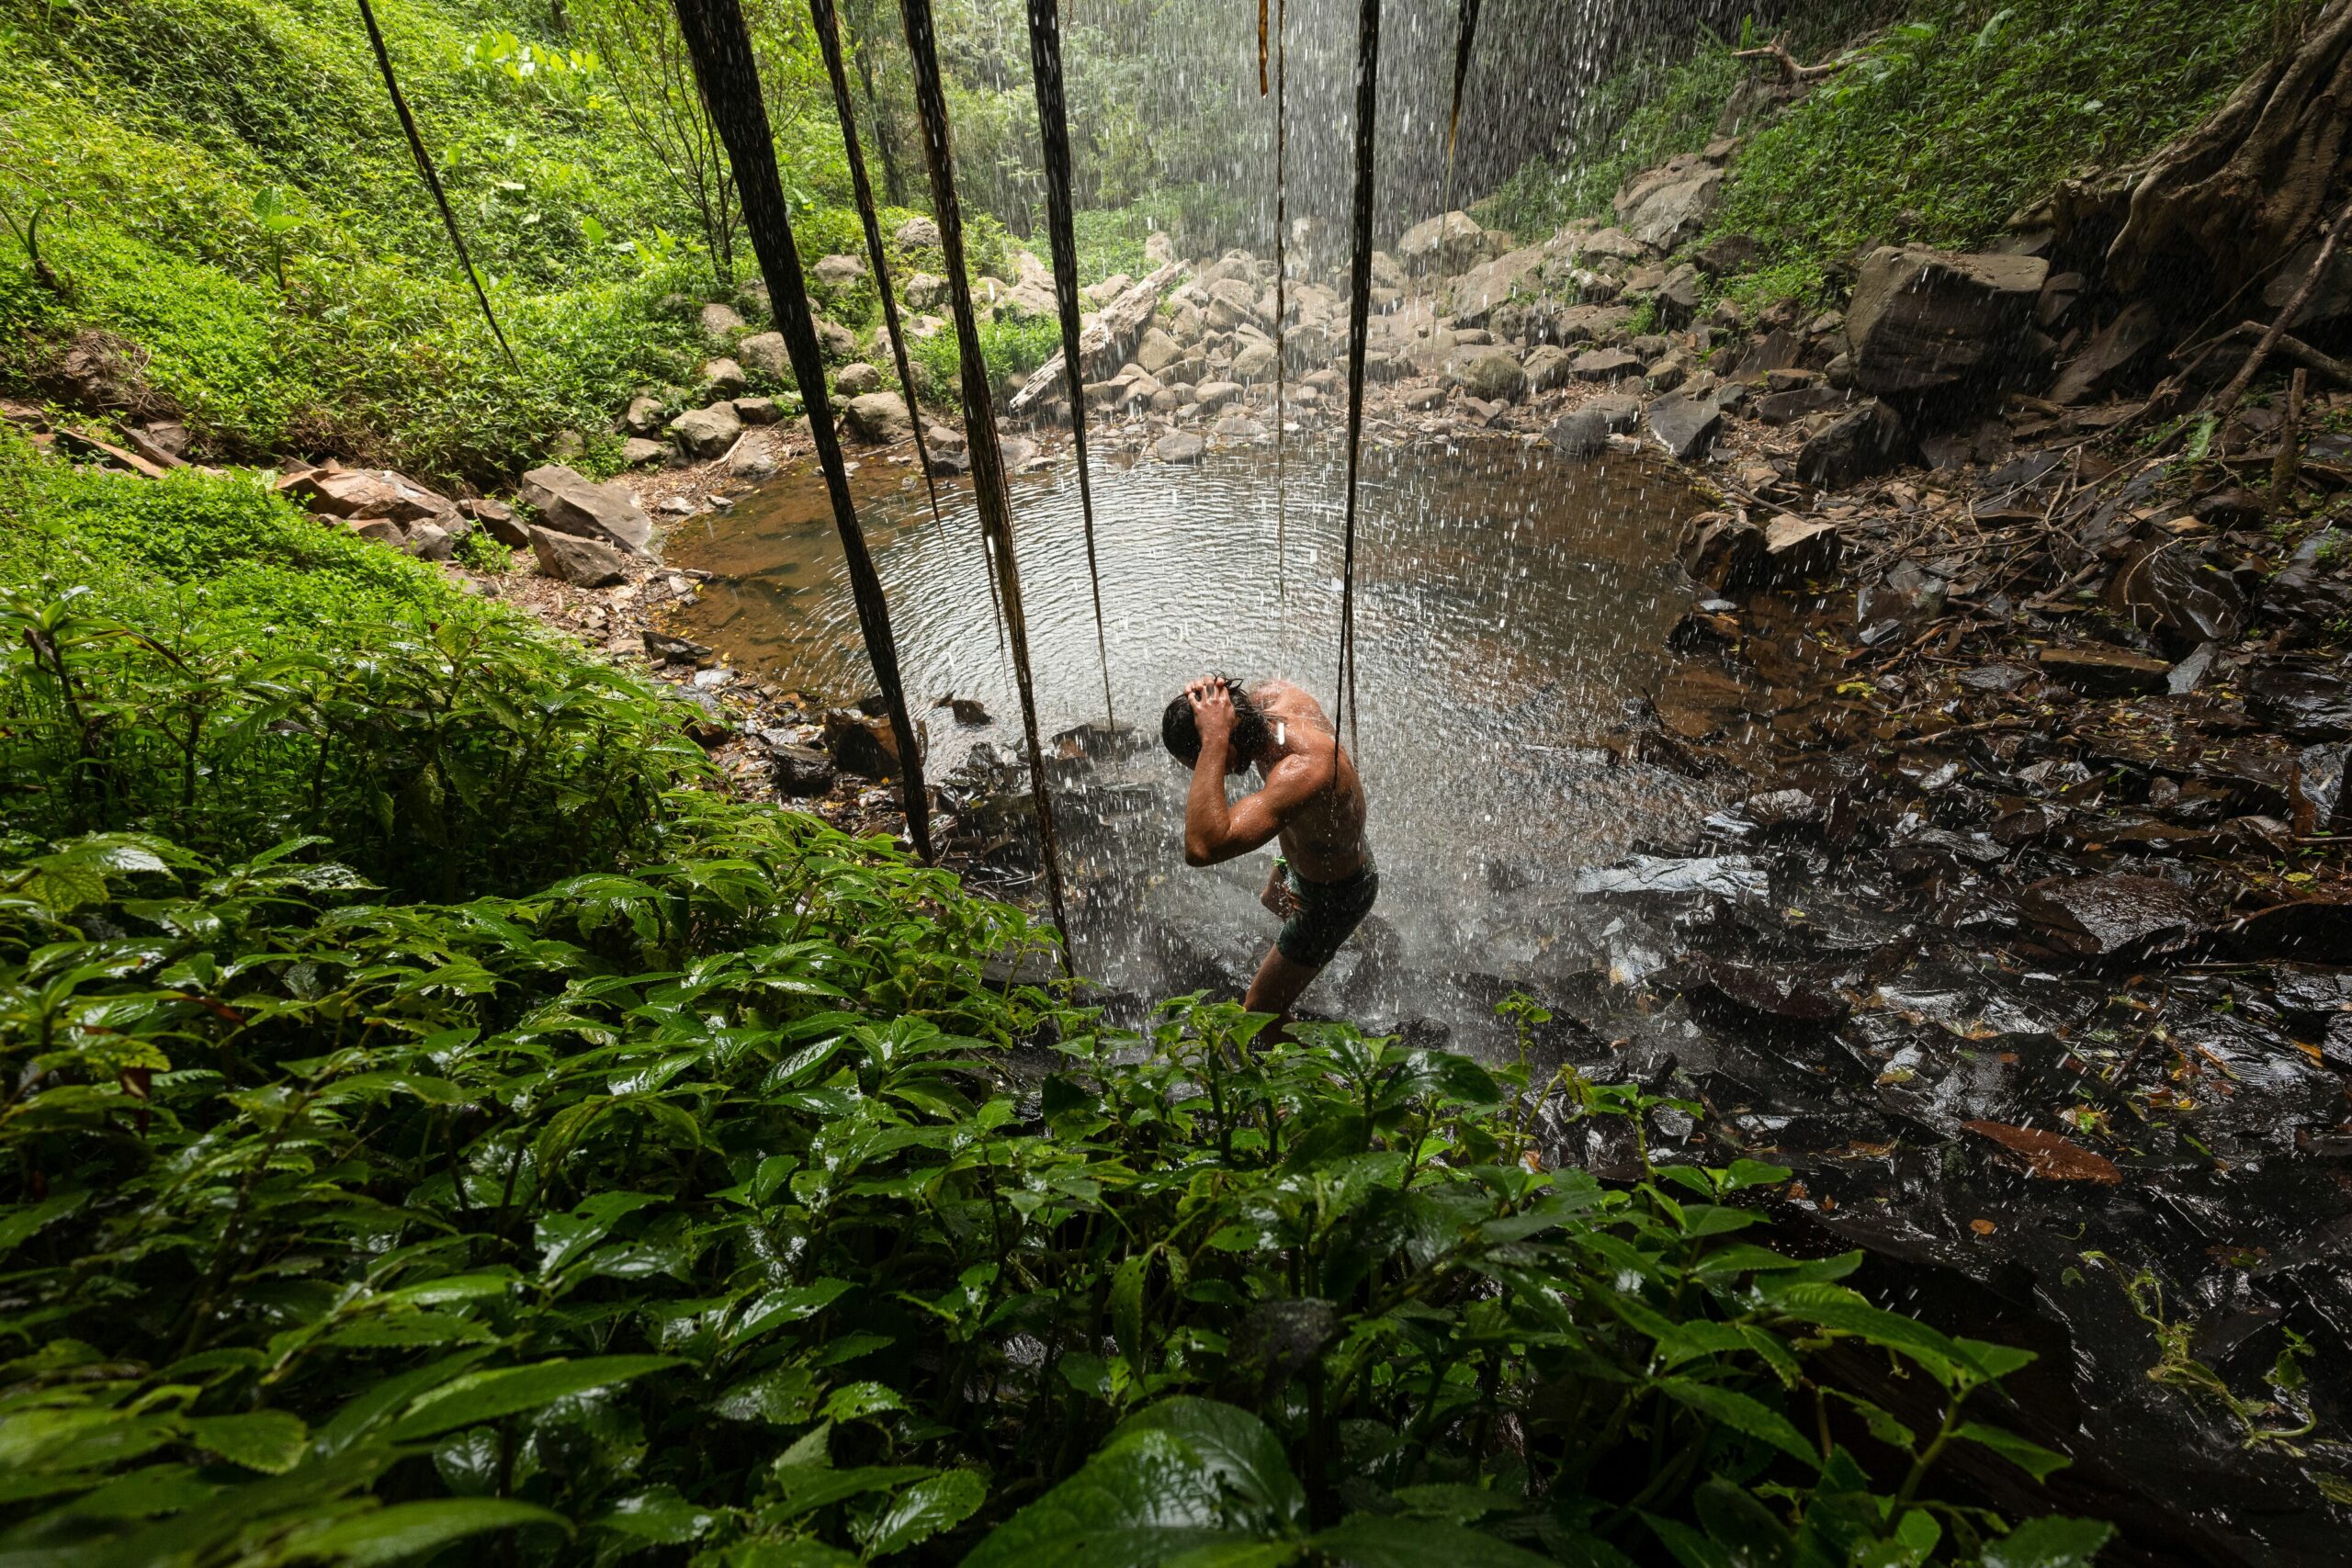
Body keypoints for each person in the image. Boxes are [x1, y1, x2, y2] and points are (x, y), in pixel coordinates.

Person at [1161, 676, 1374, 1027]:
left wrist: (1214, 737)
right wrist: (1211, 696)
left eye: (1215, 761)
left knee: (1260, 1016)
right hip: (1313, 848)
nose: (1224, 773)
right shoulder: (1270, 704)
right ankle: (1313, 957)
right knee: (1272, 898)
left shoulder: (1303, 767)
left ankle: (1328, 1077)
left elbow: (1201, 847)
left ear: (1224, 734)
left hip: (1336, 894)